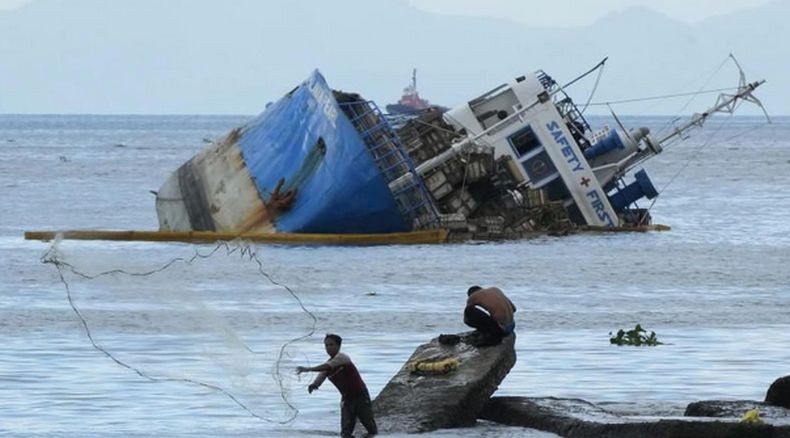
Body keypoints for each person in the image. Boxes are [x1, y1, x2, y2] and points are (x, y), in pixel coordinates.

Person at [296, 334, 377, 437]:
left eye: (331, 345)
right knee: (345, 432)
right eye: (326, 345)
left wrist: (308, 369)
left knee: (370, 427)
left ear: (338, 346)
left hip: (360, 396)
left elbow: (326, 366)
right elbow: (321, 376)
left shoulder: (342, 358)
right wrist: (313, 385)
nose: (328, 348)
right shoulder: (328, 365)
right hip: (347, 399)